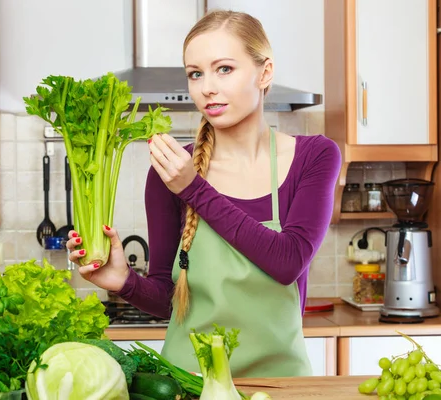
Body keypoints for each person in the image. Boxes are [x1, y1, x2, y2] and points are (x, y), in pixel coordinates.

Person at [66, 10, 341, 378]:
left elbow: (288, 262)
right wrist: (124, 281)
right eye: (195, 73)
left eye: (224, 69)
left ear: (265, 72)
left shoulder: (315, 156)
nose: (206, 87)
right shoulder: (167, 173)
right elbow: (169, 299)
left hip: (281, 384)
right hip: (189, 383)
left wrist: (194, 188)